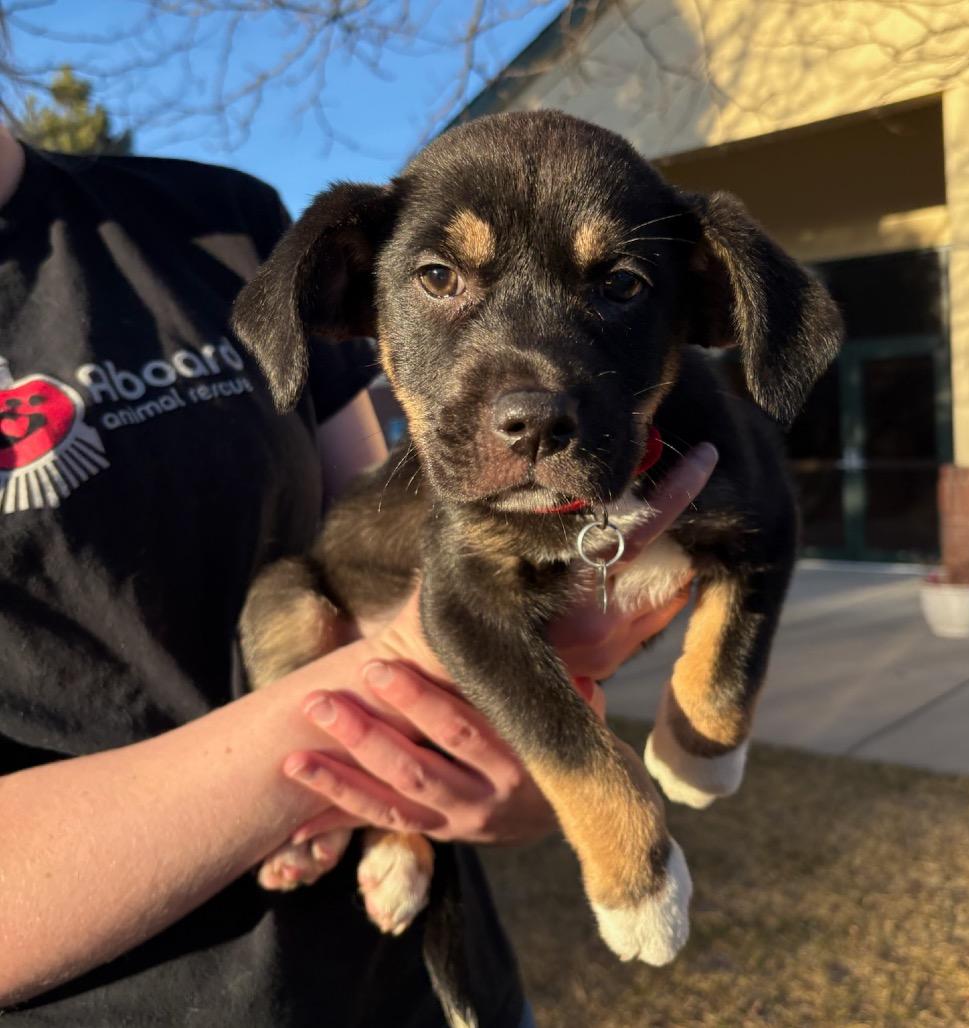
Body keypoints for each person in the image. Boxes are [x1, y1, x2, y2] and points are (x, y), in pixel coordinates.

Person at [0, 122, 718, 1026]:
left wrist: (528, 743)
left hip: (424, 990)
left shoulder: (223, 221)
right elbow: (430, 631)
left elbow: (380, 537)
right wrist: (426, 668)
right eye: (442, 279)